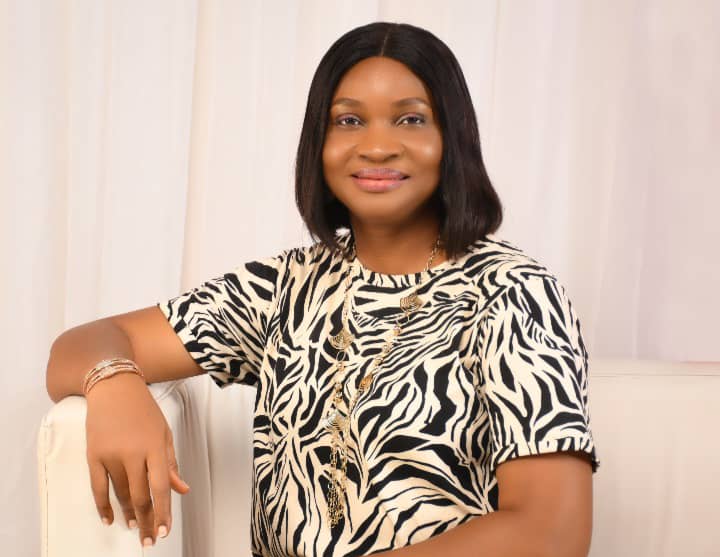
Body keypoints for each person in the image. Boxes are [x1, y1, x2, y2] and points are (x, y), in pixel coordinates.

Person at [46, 21, 600, 557]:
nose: (377, 147)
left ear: (451, 139)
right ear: (320, 141)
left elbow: (550, 535)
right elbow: (79, 347)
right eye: (349, 121)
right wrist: (115, 385)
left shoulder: (515, 293)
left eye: (410, 119)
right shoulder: (286, 287)